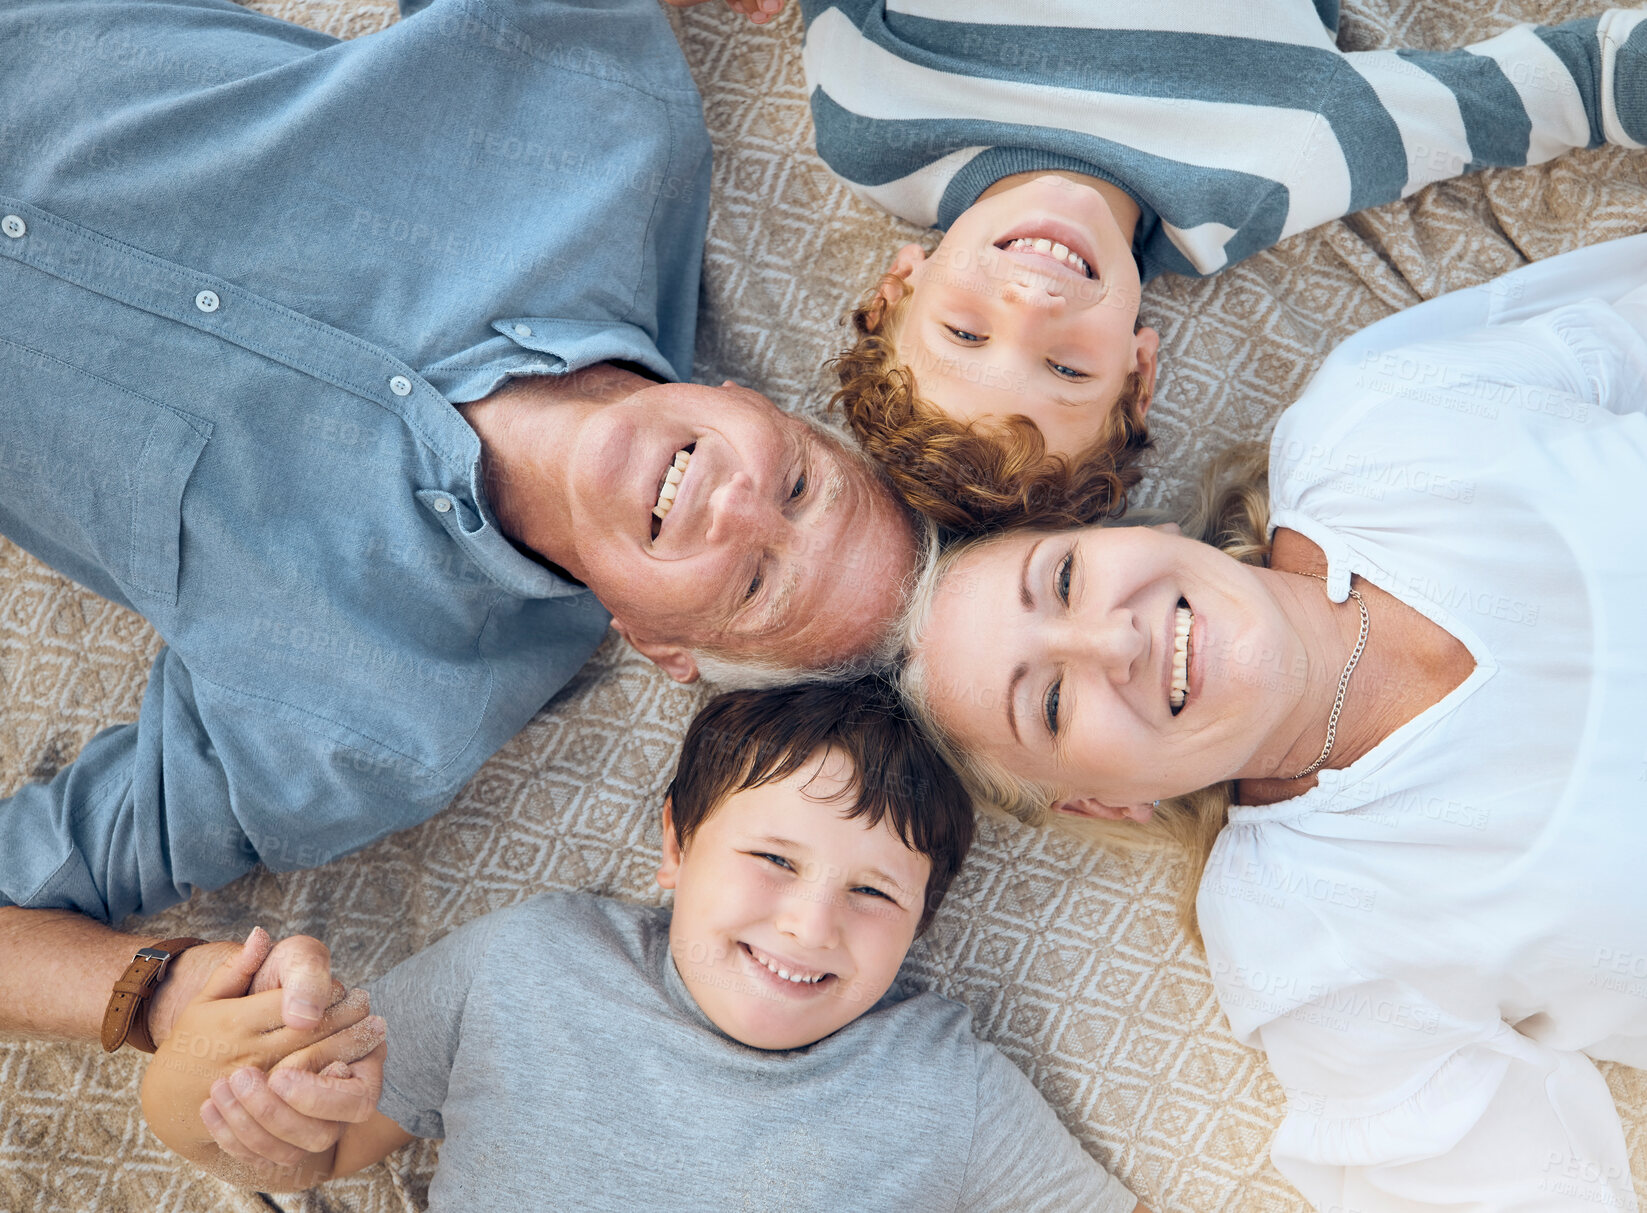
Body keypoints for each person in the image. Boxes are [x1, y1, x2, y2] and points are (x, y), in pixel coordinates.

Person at [0, 0, 916, 1083]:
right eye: (802, 485)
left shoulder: (373, 720)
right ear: (753, 400)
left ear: (664, 648)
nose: (738, 504)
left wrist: (154, 996)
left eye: (758, 583)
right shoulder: (612, 124)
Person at [896, 235, 1647, 1208]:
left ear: (1138, 534)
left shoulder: (1372, 419)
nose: (1111, 642)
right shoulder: (1308, 942)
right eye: (1048, 700)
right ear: (1108, 802)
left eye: (1068, 581)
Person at [138, 682, 1146, 1212]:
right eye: (773, 859)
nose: (808, 925)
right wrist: (238, 1092)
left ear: (923, 922)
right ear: (675, 845)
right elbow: (306, 1147)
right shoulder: (532, 965)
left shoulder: (945, 1091)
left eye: (875, 891)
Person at [797, 0, 1647, 532]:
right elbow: (1565, 88)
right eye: (1064, 364)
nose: (1031, 301)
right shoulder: (1276, 168)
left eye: (966, 330)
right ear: (1139, 367)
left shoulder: (870, 115)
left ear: (897, 286)